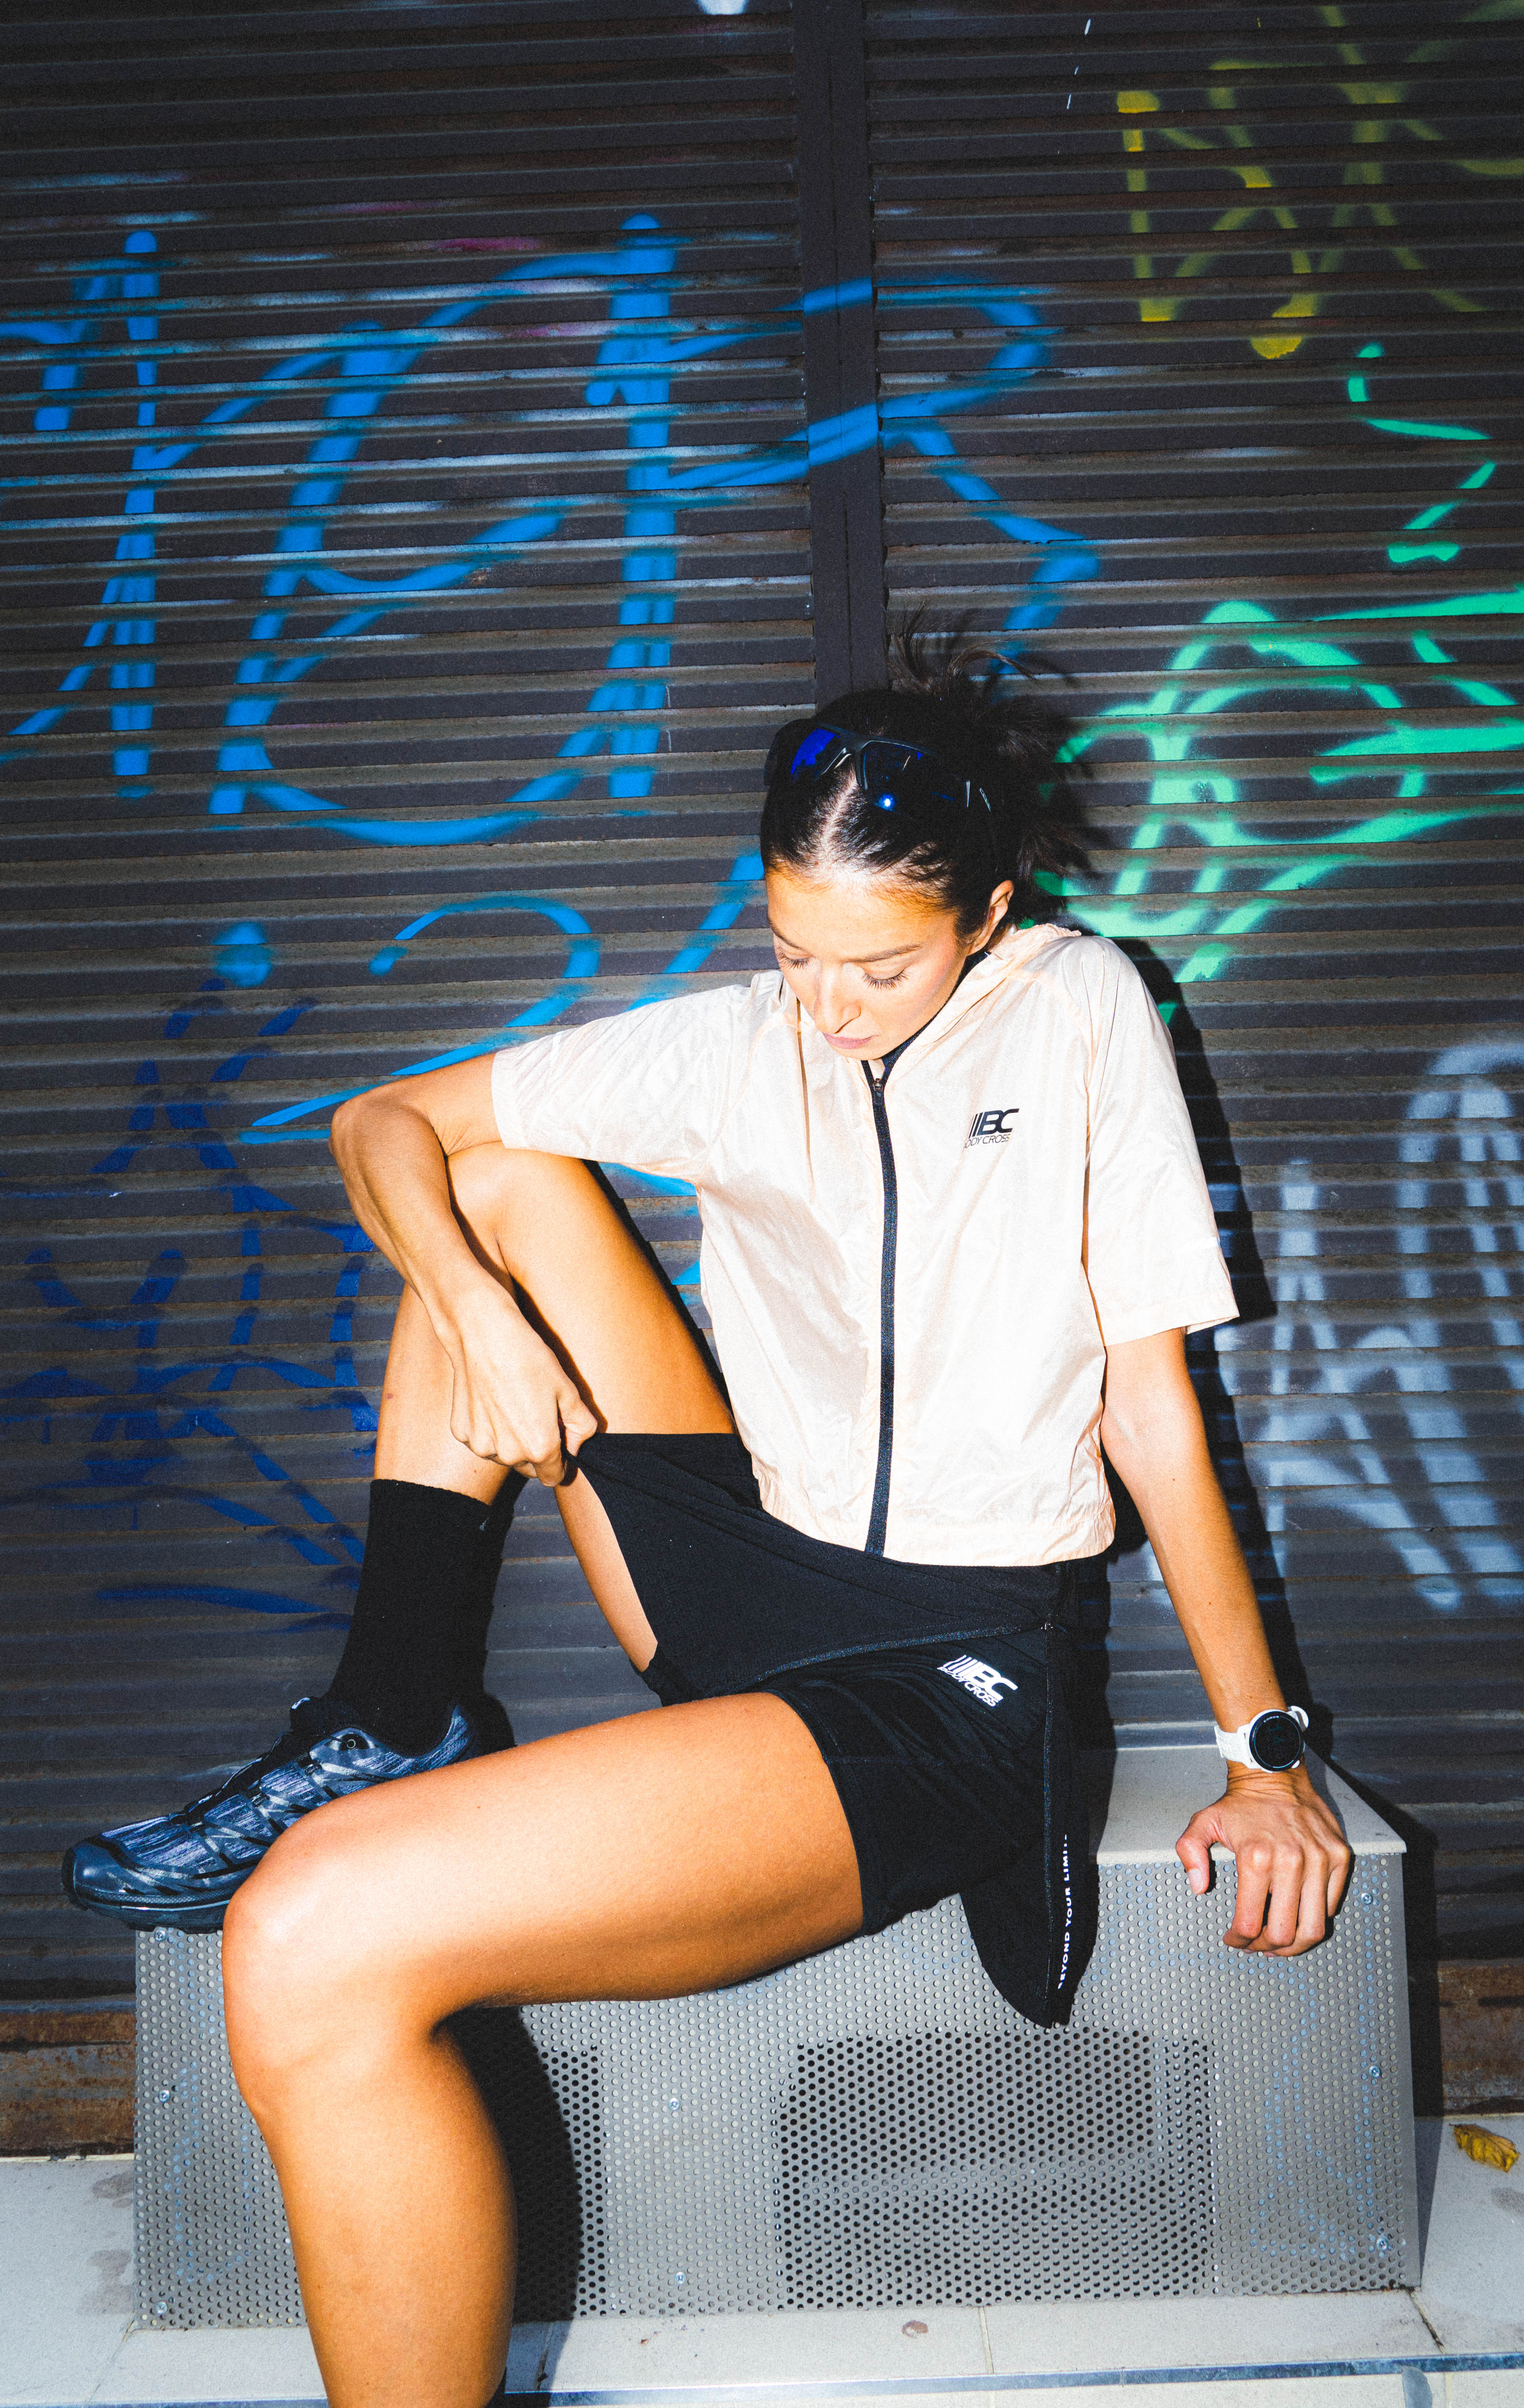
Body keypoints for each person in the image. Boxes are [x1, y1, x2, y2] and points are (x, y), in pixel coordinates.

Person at [65, 636, 1351, 2408]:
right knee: (492, 1181)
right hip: (748, 1573)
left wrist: (1264, 1755)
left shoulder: (1081, 1011)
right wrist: (476, 1305)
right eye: (795, 952)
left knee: (310, 1927)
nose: (829, 1009)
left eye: (881, 966)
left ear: (989, 912)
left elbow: (1151, 1409)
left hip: (943, 1674)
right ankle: (392, 1703)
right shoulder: (744, 1046)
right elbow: (379, 1124)